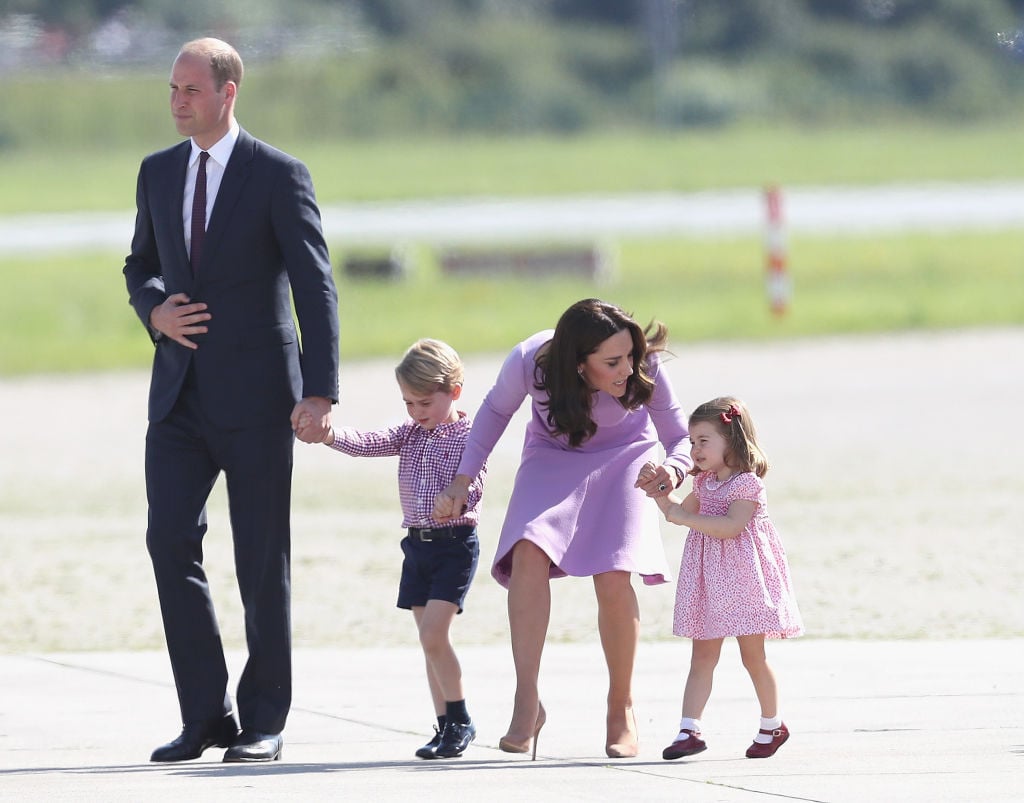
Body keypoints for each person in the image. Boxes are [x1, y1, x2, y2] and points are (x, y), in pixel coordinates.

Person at [123, 37, 339, 763]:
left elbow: (315, 285)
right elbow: (140, 264)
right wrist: (153, 309)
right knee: (168, 541)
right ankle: (204, 714)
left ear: (227, 92)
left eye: (191, 89)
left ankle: (264, 720)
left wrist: (319, 390)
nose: (178, 101)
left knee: (259, 560)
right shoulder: (157, 173)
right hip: (178, 399)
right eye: (172, 90)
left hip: (259, 401)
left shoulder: (277, 174)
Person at [433, 298, 691, 760]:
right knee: (527, 551)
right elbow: (493, 414)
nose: (627, 369)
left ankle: (621, 707)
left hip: (629, 458)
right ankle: (527, 701)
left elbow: (678, 436)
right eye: (612, 362)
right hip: (552, 457)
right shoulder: (532, 361)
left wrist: (672, 470)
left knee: (614, 572)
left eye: (629, 356)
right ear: (577, 363)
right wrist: (462, 479)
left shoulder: (643, 366)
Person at [301, 339, 485, 759]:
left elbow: (475, 480)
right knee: (428, 641)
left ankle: (461, 720)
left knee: (434, 634)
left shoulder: (471, 436)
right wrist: (329, 434)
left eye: (424, 403)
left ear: (454, 391)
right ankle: (443, 726)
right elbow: (371, 441)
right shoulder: (411, 433)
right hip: (416, 546)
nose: (417, 413)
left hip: (453, 546)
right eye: (409, 404)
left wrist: (458, 497)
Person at [635, 396, 803, 761]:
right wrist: (658, 493)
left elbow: (730, 527)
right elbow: (676, 512)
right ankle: (688, 729)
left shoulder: (747, 485)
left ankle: (772, 723)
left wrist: (683, 518)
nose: (694, 450)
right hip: (710, 583)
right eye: (692, 442)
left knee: (752, 656)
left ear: (731, 439)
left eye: (703, 441)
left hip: (745, 582)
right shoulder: (706, 484)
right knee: (702, 655)